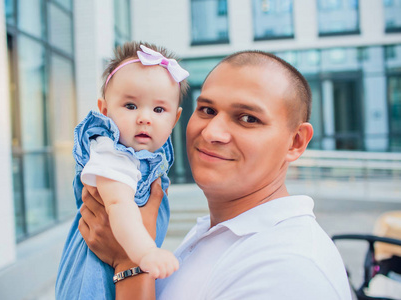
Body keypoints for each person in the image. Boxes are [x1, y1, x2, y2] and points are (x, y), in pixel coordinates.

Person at [78, 50, 353, 299]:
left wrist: (129, 263)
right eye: (207, 110)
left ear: (296, 142)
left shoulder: (289, 269)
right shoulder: (217, 231)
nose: (211, 133)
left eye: (248, 118)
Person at [55, 41, 189, 299]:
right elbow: (118, 205)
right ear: (105, 110)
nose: (144, 118)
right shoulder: (113, 155)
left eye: (159, 109)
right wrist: (145, 253)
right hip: (94, 274)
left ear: (175, 119)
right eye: (130, 106)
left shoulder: (148, 154)